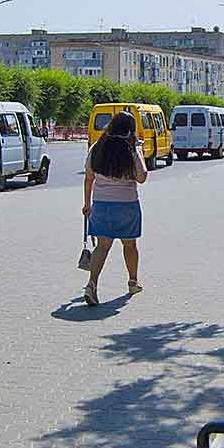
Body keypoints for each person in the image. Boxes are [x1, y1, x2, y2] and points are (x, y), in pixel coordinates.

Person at [82, 112, 148, 306]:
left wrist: (87, 203)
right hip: (127, 205)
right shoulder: (130, 150)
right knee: (129, 245)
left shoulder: (97, 148)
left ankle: (91, 285)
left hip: (101, 205)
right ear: (130, 130)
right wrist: (139, 152)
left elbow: (88, 178)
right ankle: (133, 282)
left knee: (102, 246)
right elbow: (142, 177)